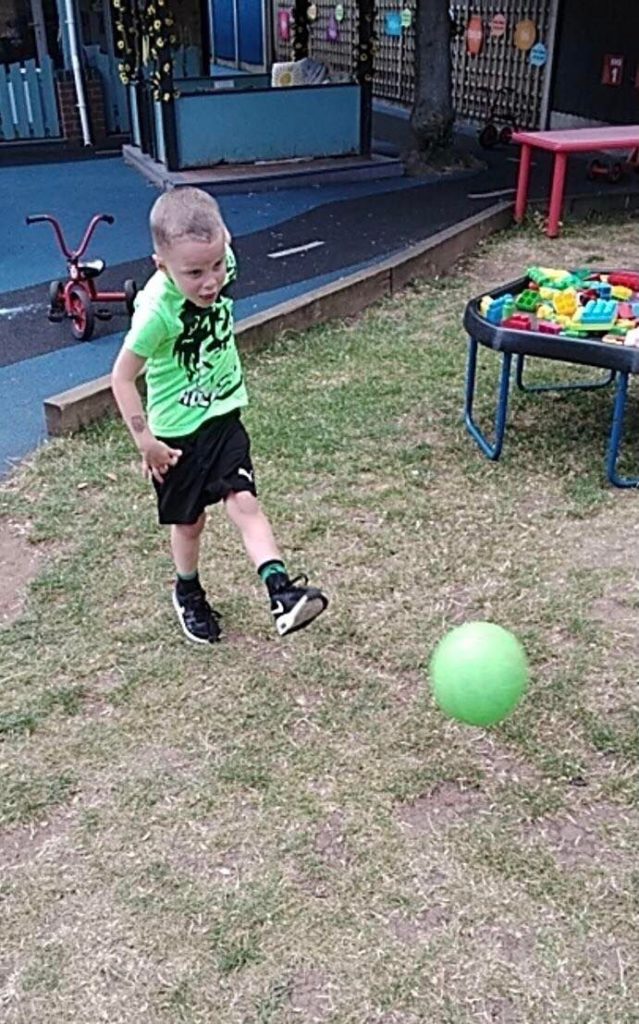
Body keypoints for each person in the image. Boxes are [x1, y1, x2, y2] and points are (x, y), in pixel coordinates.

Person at [111, 187, 328, 645]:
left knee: (244, 501)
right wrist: (145, 442)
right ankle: (187, 592)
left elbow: (222, 239)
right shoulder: (156, 313)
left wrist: (215, 239)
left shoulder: (221, 258)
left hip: (224, 418)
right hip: (175, 438)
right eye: (194, 273)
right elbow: (122, 378)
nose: (210, 282)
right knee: (190, 523)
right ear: (161, 265)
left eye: (215, 266)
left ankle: (282, 593)